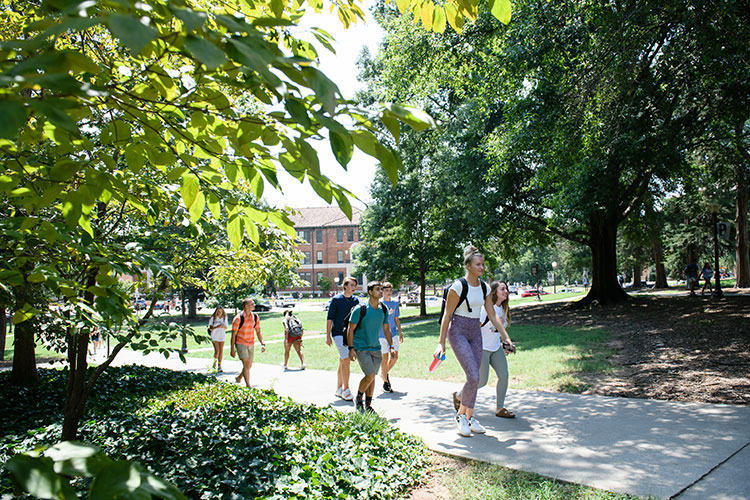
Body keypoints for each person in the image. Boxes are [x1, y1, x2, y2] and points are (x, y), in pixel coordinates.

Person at [434, 245, 515, 437]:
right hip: (459, 332)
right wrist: (441, 343)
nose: (482, 268)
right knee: (474, 376)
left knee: (476, 378)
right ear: (468, 266)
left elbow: (492, 316)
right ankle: (461, 416)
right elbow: (447, 316)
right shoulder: (458, 286)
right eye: (478, 264)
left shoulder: (486, 287)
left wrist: (506, 336)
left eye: (483, 265)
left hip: (475, 334)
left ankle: (470, 417)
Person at [455, 281, 516, 418]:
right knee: (481, 381)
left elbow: (499, 330)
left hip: (495, 348)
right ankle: (459, 396)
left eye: (506, 289)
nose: (506, 291)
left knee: (504, 375)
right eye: (502, 289)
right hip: (481, 348)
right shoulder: (485, 310)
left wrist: (506, 345)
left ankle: (500, 408)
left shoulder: (503, 310)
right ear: (494, 292)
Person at [347, 281, 393, 413]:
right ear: (370, 292)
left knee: (372, 377)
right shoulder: (360, 309)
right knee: (370, 374)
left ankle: (368, 404)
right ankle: (358, 399)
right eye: (377, 289)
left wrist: (391, 346)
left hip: (376, 348)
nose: (380, 291)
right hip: (361, 347)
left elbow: (386, 328)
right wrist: (351, 348)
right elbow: (350, 329)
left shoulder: (383, 309)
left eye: (381, 289)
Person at [326, 276, 359, 401]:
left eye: (355, 286)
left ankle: (339, 389)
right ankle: (346, 389)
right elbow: (329, 319)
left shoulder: (356, 301)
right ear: (345, 286)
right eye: (351, 285)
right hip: (338, 334)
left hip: (350, 335)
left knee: (342, 360)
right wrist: (328, 336)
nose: (353, 288)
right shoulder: (336, 300)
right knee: (346, 359)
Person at [230, 298, 265, 387]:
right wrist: (232, 349)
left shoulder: (255, 317)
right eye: (252, 304)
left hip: (251, 343)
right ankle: (248, 385)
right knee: (246, 364)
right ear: (246, 306)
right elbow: (233, 335)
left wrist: (262, 343)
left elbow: (258, 331)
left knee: (249, 365)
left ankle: (239, 377)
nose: (254, 305)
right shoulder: (238, 318)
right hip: (241, 343)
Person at [379, 282, 403, 393]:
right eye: (386, 290)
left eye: (390, 290)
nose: (389, 292)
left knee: (395, 357)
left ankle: (384, 373)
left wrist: (400, 332)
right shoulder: (379, 303)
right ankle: (385, 382)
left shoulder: (395, 303)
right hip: (382, 335)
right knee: (384, 358)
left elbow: (396, 319)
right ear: (382, 291)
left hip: (393, 334)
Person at [208, 306, 229, 372]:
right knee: (217, 351)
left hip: (222, 335)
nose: (220, 313)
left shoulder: (224, 317)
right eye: (218, 312)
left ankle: (219, 365)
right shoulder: (213, 318)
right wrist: (217, 326)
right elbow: (211, 328)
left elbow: (226, 327)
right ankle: (214, 364)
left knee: (221, 351)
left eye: (221, 311)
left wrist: (223, 326)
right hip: (214, 335)